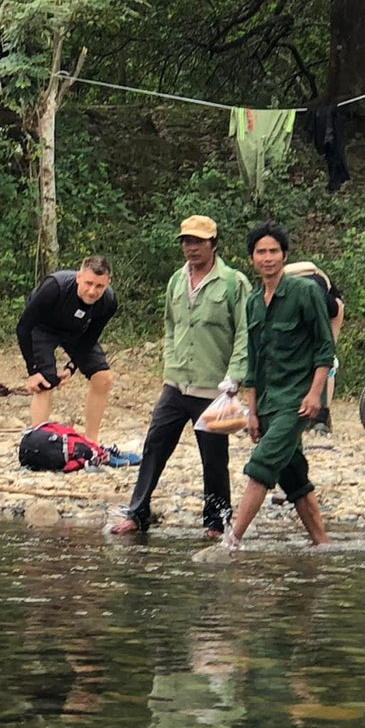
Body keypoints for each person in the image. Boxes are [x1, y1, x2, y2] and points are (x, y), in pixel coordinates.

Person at [108, 216, 247, 538]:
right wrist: (169, 362)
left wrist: (236, 376)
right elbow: (171, 327)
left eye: (198, 241)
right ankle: (137, 513)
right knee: (154, 446)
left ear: (214, 243)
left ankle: (216, 522)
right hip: (176, 383)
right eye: (186, 241)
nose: (191, 247)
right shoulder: (175, 280)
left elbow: (244, 333)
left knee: (214, 458)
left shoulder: (232, 282)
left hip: (214, 387)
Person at [221, 222, 334, 551]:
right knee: (293, 475)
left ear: (284, 255)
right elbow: (254, 363)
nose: (267, 258)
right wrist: (252, 411)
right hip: (268, 403)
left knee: (263, 463)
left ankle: (233, 540)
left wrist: (316, 394)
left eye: (273, 251)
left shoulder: (305, 292)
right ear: (252, 258)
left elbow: (325, 348)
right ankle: (322, 545)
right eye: (261, 252)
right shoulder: (254, 301)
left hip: (297, 401)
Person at [16, 255, 117, 441]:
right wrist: (32, 370)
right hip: (42, 327)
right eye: (88, 283)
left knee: (103, 378)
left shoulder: (108, 301)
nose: (92, 291)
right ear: (78, 277)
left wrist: (72, 367)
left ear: (108, 283)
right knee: (45, 382)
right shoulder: (54, 287)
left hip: (77, 330)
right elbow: (23, 327)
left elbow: (91, 337)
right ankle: (38, 442)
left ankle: (91, 441)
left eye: (99, 286)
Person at [283, 259, 344, 434]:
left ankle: (322, 417)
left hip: (332, 310)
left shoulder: (325, 302)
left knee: (326, 359)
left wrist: (329, 348)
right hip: (295, 290)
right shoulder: (279, 300)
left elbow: (338, 309)